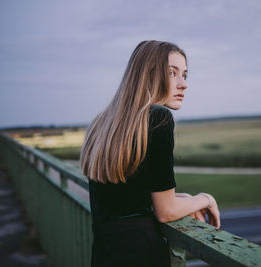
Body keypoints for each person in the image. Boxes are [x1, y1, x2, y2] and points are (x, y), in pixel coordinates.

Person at [80, 40, 220, 267]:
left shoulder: (102, 122)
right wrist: (206, 199)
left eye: (185, 74)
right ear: (148, 74)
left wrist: (185, 199)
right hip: (141, 254)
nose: (183, 84)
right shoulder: (158, 118)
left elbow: (128, 198)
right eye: (172, 73)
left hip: (105, 253)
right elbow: (165, 212)